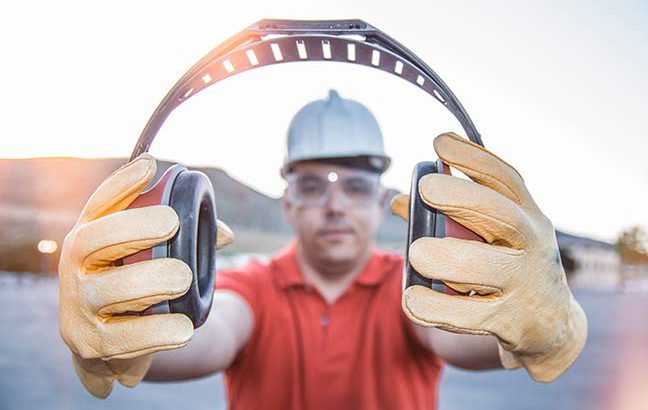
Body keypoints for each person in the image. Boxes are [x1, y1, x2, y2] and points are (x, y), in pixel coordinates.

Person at [58, 90, 587, 409]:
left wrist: (537, 333)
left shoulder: (419, 290)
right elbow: (206, 337)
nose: (335, 204)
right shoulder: (253, 286)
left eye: (355, 186)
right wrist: (127, 337)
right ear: (288, 204)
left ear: (384, 205)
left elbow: (456, 338)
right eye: (313, 186)